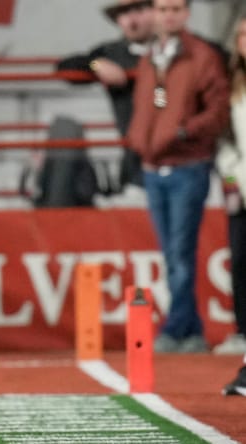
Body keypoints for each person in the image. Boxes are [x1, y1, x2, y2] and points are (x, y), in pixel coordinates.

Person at [127, 0, 230, 353]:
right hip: (154, 167)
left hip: (188, 165)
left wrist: (184, 131)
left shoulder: (201, 56)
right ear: (154, 14)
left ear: (186, 13)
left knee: (180, 253)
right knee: (171, 253)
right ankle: (191, 329)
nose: (168, 15)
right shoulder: (150, 58)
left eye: (174, 9)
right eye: (162, 9)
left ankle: (176, 327)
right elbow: (150, 106)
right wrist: (141, 139)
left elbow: (218, 108)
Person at [57, 0, 154, 194]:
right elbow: (66, 67)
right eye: (124, 13)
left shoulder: (182, 49)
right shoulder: (111, 53)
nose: (132, 19)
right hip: (136, 156)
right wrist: (96, 65)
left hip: (183, 150)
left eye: (139, 10)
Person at [216, 14, 246, 359]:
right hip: (239, 185)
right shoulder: (231, 86)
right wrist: (230, 176)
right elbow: (224, 139)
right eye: (243, 35)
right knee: (240, 259)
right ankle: (242, 330)